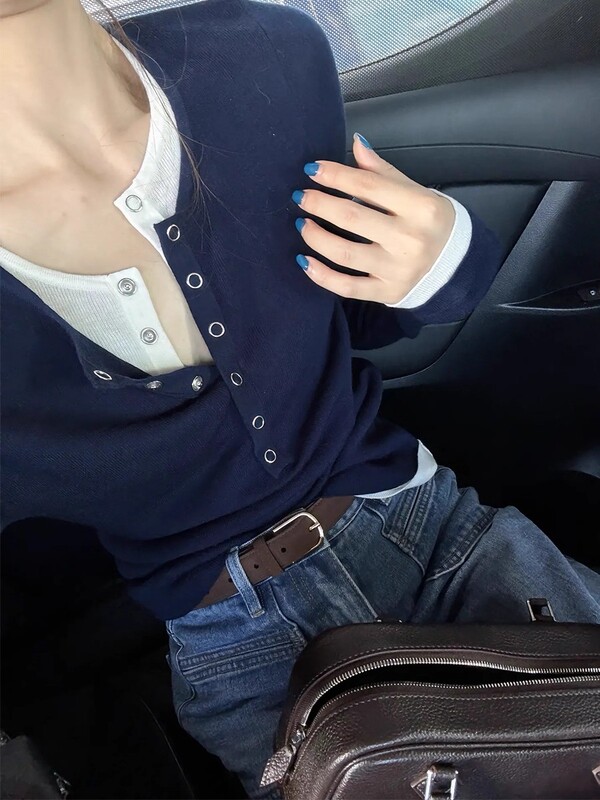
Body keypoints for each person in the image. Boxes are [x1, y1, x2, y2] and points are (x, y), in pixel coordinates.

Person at [1, 0, 598, 798]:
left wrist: (448, 260)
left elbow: (346, 314)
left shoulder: (263, 54)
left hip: (440, 534)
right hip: (240, 659)